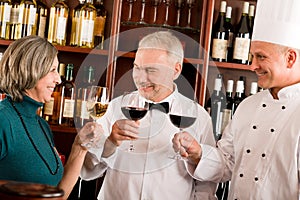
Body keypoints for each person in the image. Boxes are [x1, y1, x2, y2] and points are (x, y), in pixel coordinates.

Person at [172, 0, 300, 199]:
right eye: (251, 56)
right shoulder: (248, 106)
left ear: (290, 58)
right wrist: (198, 153)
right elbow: (227, 162)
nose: (252, 66)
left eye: (261, 57)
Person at [80, 31, 217, 199]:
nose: (141, 78)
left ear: (176, 70)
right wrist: (110, 143)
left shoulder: (199, 117)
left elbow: (206, 185)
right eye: (137, 68)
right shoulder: (116, 107)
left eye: (151, 70)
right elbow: (87, 171)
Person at [0, 35, 103, 199]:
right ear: (31, 70)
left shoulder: (41, 125)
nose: (58, 79)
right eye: (52, 70)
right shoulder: (3, 120)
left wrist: (80, 147)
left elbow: (59, 195)